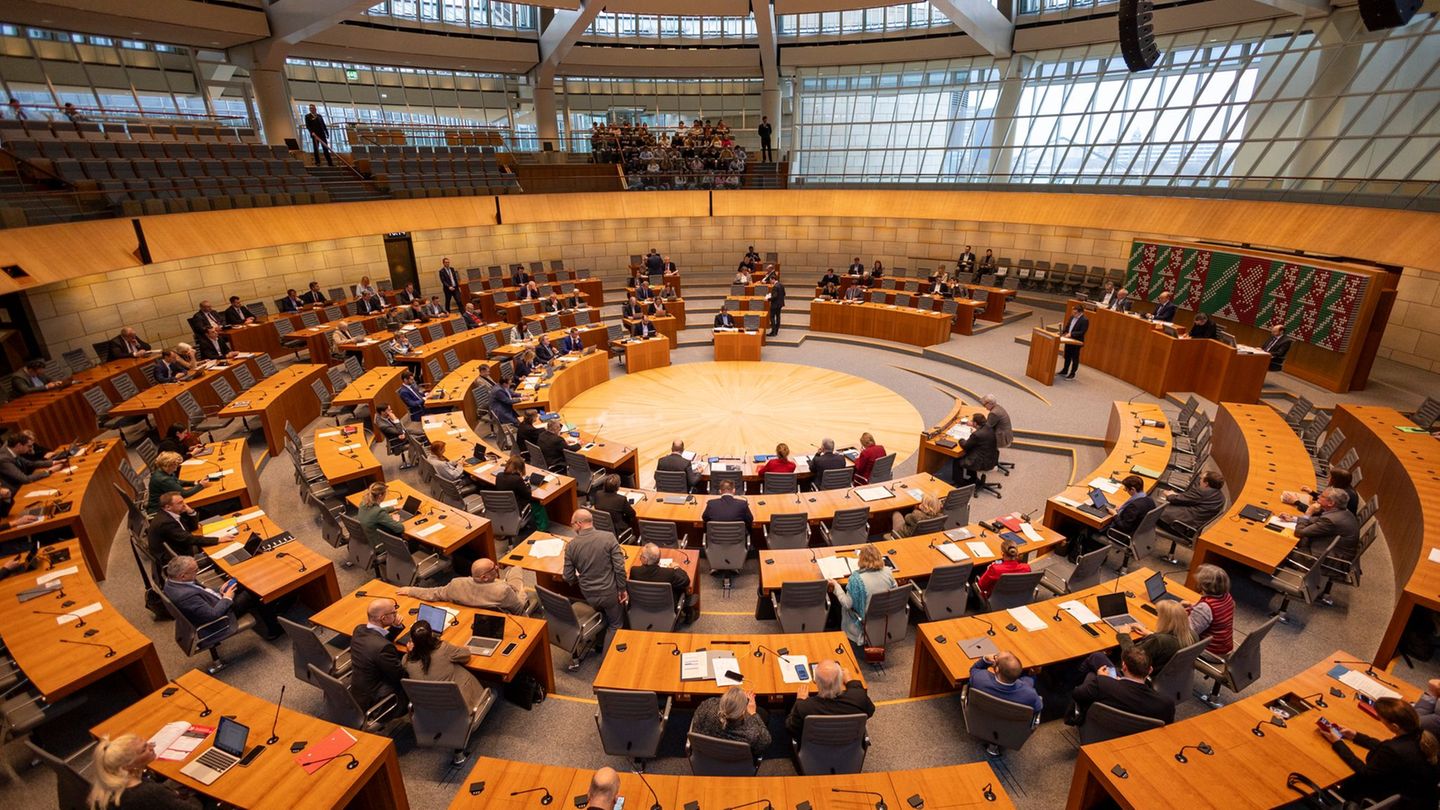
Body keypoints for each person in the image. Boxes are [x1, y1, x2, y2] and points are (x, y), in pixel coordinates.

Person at [1321, 697, 1440, 809]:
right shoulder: (1422, 737)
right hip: (1421, 799)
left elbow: (1365, 772)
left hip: (1387, 799)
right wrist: (1356, 736)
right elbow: (1385, 748)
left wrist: (1338, 743)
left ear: (1394, 726)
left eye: (1382, 719)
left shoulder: (1393, 749)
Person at [562, 509, 627, 666]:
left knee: (602, 612)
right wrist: (622, 589)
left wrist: (581, 581)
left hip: (589, 594)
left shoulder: (571, 546)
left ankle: (600, 641)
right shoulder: (608, 537)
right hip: (609, 592)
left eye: (572, 524)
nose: (572, 527)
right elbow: (619, 568)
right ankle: (607, 663)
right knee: (616, 624)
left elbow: (568, 577)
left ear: (579, 524)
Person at [163, 555, 282, 640]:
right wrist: (227, 598)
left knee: (241, 582)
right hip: (222, 617)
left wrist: (219, 590)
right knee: (253, 592)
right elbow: (212, 615)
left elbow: (201, 591)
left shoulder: (171, 582)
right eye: (195, 570)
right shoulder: (185, 596)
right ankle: (274, 629)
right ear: (183, 576)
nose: (198, 572)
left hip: (213, 600)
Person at [88, 733, 202, 810]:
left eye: (147, 743)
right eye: (144, 750)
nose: (151, 747)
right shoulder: (149, 792)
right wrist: (194, 794)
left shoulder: (107, 784)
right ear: (128, 764)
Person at [1069, 645, 1175, 725]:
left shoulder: (1103, 684)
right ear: (1150, 670)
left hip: (1102, 727)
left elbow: (1077, 694)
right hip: (1139, 736)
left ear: (1124, 667)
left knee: (1091, 674)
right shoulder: (1166, 704)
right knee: (1098, 657)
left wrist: (1101, 678)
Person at [402, 619, 490, 707]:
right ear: (432, 635)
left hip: (432, 709)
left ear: (412, 641)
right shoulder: (443, 649)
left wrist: (410, 652)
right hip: (464, 704)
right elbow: (466, 655)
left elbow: (416, 657)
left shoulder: (406, 661)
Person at [969, 651, 1043, 751]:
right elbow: (1037, 709)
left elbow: (974, 669)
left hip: (982, 720)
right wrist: (1032, 676)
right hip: (1010, 728)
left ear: (997, 669)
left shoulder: (980, 680)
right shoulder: (1030, 694)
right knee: (1029, 679)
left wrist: (985, 659)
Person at [786, 660, 875, 742]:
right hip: (849, 747)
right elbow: (870, 711)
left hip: (814, 749)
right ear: (841, 679)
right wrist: (850, 681)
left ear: (816, 681)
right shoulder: (858, 698)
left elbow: (791, 728)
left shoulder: (804, 707)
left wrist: (799, 700)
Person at [831, 544, 897, 648]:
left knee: (837, 603)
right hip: (883, 617)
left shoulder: (856, 580)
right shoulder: (888, 572)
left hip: (862, 622)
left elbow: (847, 604)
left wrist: (836, 586)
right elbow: (895, 590)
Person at [1109, 600, 1197, 674]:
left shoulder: (1159, 641)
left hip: (1138, 671)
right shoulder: (1193, 635)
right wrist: (1150, 634)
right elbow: (1170, 641)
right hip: (1170, 674)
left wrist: (1124, 635)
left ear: (1165, 620)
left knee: (1104, 655)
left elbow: (1131, 658)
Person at [350, 597, 407, 708]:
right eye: (394, 613)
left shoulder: (359, 629)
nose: (396, 614)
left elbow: (378, 639)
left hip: (358, 691)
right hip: (377, 701)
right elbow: (400, 675)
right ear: (383, 618)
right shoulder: (383, 648)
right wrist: (410, 654)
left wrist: (395, 627)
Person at [690, 686, 770, 758]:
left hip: (707, 756)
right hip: (736, 763)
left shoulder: (706, 707)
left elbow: (696, 726)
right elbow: (765, 742)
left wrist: (732, 701)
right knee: (763, 713)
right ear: (744, 712)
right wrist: (753, 713)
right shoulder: (752, 733)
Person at [1286, 487, 1360, 563]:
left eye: (1322, 496)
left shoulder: (1331, 520)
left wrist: (1308, 513)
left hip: (1327, 561)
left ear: (1331, 503)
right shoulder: (1343, 511)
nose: (1318, 496)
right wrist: (1294, 519)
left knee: (1284, 548)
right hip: (1330, 548)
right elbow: (1319, 520)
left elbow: (1299, 532)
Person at [146, 492, 217, 567]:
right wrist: (217, 539)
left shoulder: (170, 514)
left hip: (181, 549)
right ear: (168, 507)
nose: (184, 505)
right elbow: (188, 539)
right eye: (180, 503)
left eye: (183, 501)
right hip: (178, 563)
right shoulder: (166, 522)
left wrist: (191, 512)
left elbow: (192, 528)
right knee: (216, 554)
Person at [630, 542, 693, 618]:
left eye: (641, 556)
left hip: (642, 607)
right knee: (682, 589)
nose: (640, 557)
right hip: (666, 609)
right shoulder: (669, 573)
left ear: (645, 560)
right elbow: (686, 581)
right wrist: (676, 568)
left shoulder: (635, 571)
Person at [1185, 563, 1234, 658]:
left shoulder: (1205, 607)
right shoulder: (1227, 597)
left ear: (1203, 585)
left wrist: (1176, 613)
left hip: (1210, 653)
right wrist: (1194, 607)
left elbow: (1187, 634)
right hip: (1224, 648)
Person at [1157, 470, 1226, 535]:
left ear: (1206, 484)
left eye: (1201, 479)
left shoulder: (1203, 492)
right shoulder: (1220, 497)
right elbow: (1188, 499)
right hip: (1191, 526)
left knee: (1151, 506)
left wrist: (1170, 495)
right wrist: (1177, 495)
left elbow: (1174, 499)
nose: (1199, 481)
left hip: (1177, 526)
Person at [1287, 468, 1359, 516]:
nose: (1328, 478)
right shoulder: (1345, 486)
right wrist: (1312, 493)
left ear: (1335, 480)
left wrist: (1296, 502)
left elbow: (1317, 513)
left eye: (1330, 476)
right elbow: (1326, 499)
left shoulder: (1341, 495)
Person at [953, 412, 998, 486]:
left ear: (975, 423)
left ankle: (960, 483)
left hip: (982, 462)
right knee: (970, 453)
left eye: (972, 421)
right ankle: (972, 479)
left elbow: (965, 446)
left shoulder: (977, 435)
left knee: (957, 460)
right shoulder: (989, 428)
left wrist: (960, 439)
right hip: (992, 459)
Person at [591, 473, 638, 538]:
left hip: (601, 527)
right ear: (618, 487)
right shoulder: (621, 499)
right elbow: (632, 514)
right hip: (618, 531)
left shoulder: (598, 494)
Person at [1058, 307, 1089, 380]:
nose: (1073, 314)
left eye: (1075, 313)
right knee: (1067, 356)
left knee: (1074, 358)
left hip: (1076, 342)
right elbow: (1068, 327)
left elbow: (1082, 332)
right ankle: (1065, 370)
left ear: (1080, 313)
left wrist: (1071, 334)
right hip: (1068, 340)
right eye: (1073, 312)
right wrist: (1062, 332)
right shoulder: (1072, 317)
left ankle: (1072, 373)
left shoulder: (1084, 320)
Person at [766, 273, 786, 337]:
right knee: (778, 317)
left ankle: (773, 332)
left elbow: (774, 296)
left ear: (773, 279)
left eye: (770, 280)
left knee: (772, 317)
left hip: (775, 305)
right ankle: (776, 330)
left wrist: (768, 299)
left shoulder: (775, 286)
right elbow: (784, 294)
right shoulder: (781, 285)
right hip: (780, 304)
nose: (770, 282)